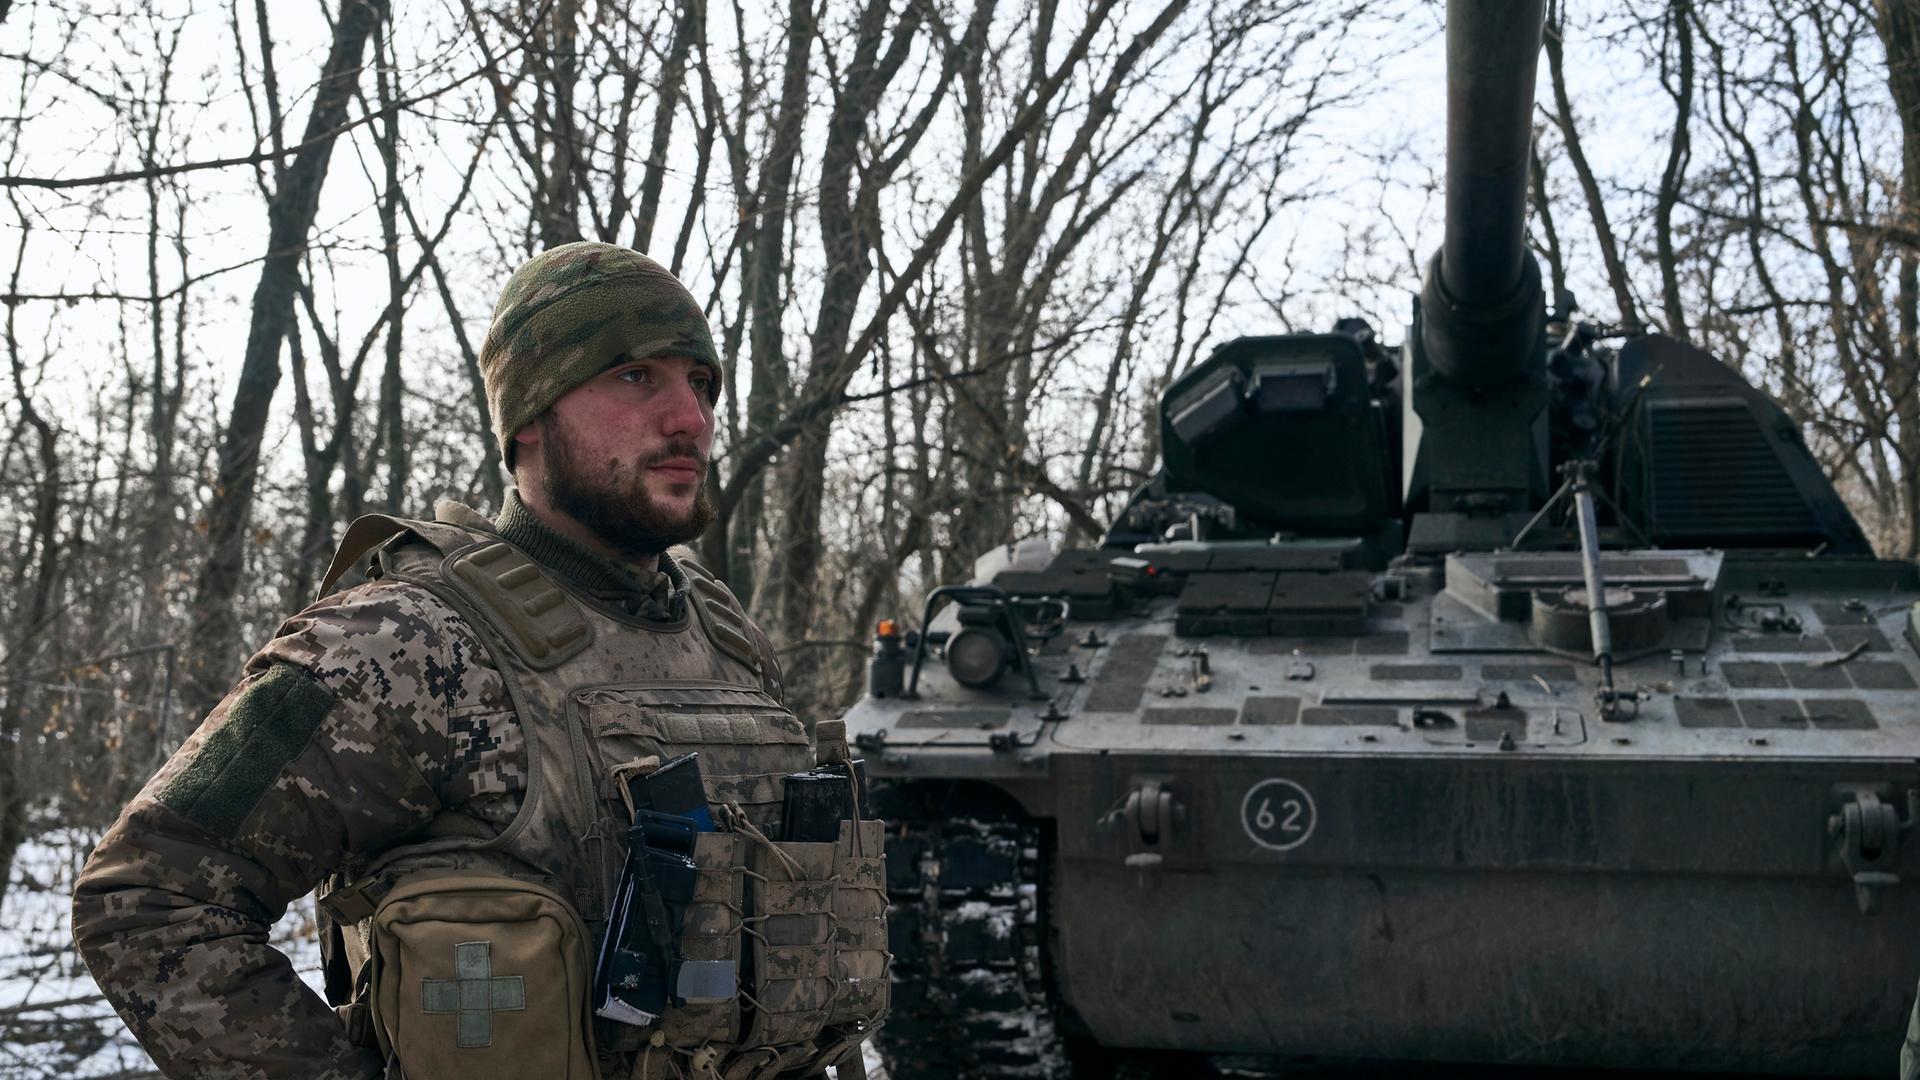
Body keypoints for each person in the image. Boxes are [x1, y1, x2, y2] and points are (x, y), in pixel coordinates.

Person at [71, 242, 887, 1079]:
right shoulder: (405, 639)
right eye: (636, 376)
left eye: (701, 383)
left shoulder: (723, 635)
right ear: (529, 416)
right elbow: (148, 896)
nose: (690, 418)